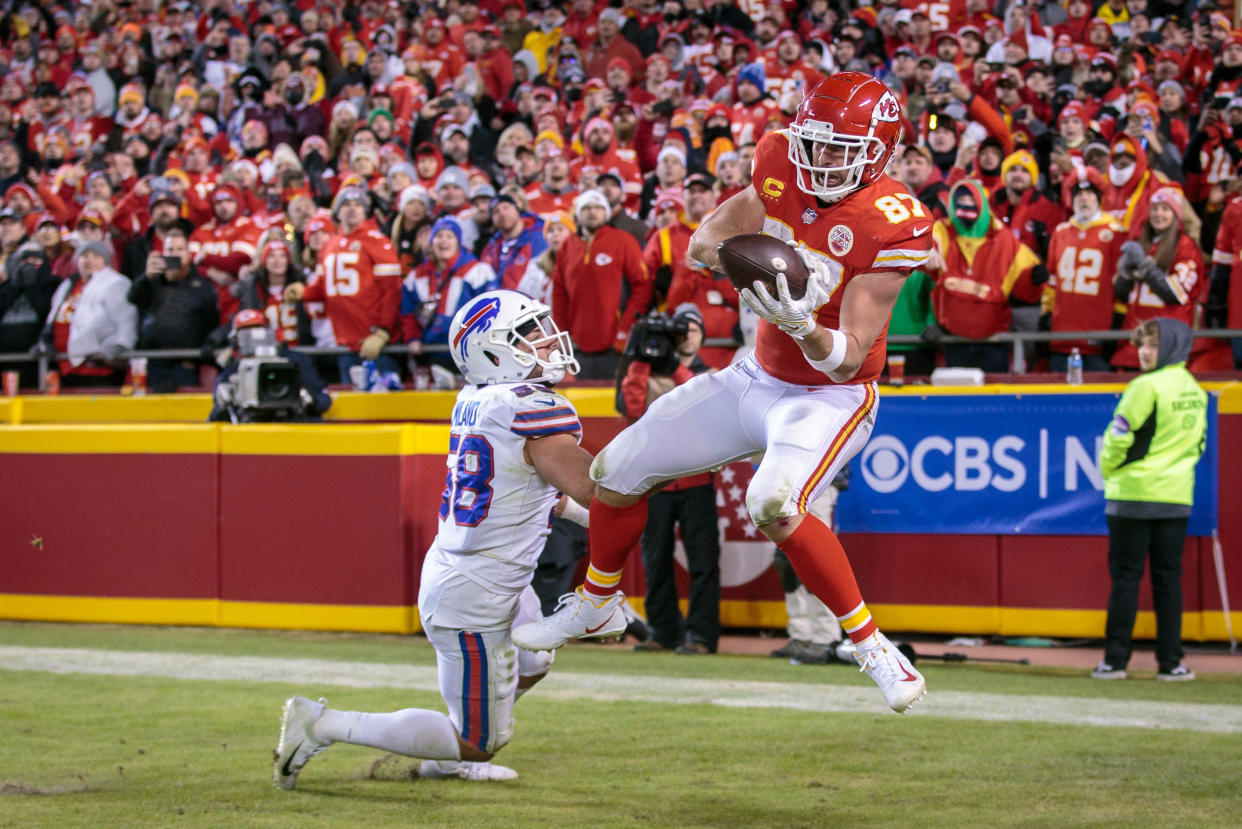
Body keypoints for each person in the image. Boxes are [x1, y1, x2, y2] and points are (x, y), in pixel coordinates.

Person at [513, 73, 932, 713]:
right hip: (753, 374)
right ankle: (597, 604)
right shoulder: (779, 167)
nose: (818, 160)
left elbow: (848, 360)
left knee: (773, 500)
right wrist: (756, 263)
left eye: (837, 148)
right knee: (616, 470)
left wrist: (801, 322)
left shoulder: (892, 223)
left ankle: (872, 646)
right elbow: (705, 243)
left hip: (829, 396)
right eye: (813, 144)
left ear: (877, 150)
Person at [275, 289, 593, 787]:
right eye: (530, 335)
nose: (549, 342)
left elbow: (533, 493)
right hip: (476, 591)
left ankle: (455, 740)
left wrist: (587, 516)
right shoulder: (530, 408)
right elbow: (594, 486)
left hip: (486, 576)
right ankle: (321, 725)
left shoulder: (480, 399)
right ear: (494, 353)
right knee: (480, 742)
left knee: (534, 660)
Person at [1092, 318, 1206, 682]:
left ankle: (1115, 661)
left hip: (1132, 495)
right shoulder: (1195, 389)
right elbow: (1199, 445)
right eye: (1142, 344)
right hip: (1175, 497)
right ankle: (1172, 663)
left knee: (1126, 579)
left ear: (1170, 346)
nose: (1143, 351)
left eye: (1153, 345)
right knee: (1169, 580)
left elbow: (1117, 438)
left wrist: (1110, 473)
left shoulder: (1144, 387)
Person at [621, 304, 722, 655]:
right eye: (682, 331)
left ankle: (702, 637)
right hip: (658, 481)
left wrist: (672, 367)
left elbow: (703, 403)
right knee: (656, 560)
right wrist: (639, 355)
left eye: (693, 330)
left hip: (696, 481)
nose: (687, 336)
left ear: (702, 336)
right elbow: (631, 408)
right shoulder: (647, 371)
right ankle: (663, 631)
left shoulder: (711, 372)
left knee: (703, 562)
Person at [283, 185, 403, 383]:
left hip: (375, 341)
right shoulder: (329, 245)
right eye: (346, 204)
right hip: (346, 342)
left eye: (358, 204)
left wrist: (384, 332)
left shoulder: (378, 241)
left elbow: (392, 291)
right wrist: (304, 292)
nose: (352, 208)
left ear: (365, 211)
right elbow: (324, 286)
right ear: (338, 211)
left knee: (382, 405)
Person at [127, 226, 221, 392]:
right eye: (170, 249)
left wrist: (197, 358)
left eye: (180, 249)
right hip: (153, 362)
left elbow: (210, 322)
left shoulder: (202, 285)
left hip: (185, 363)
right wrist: (146, 277)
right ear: (162, 253)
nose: (175, 253)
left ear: (188, 254)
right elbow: (133, 298)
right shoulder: (152, 281)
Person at [770, 469, 848, 664]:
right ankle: (801, 635)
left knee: (815, 557)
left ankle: (826, 637)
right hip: (785, 480)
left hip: (817, 478)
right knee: (785, 559)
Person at [36, 240, 137, 388]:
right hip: (64, 367)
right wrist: (45, 341)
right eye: (84, 255)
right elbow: (52, 318)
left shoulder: (116, 283)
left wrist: (121, 346)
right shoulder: (67, 285)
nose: (89, 260)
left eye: (96, 256)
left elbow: (126, 320)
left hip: (99, 367)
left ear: (105, 261)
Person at [209, 310, 330, 423]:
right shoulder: (231, 371)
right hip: (252, 428)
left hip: (292, 424)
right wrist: (228, 403)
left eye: (256, 330)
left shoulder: (294, 361)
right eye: (245, 333)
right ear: (236, 340)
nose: (252, 338)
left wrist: (308, 400)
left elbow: (324, 400)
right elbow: (216, 415)